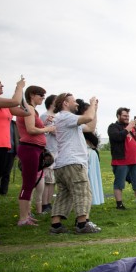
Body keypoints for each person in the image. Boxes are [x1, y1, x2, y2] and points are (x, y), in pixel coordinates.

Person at [49, 92, 101, 234]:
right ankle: (82, 224)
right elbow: (88, 117)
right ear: (65, 103)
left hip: (62, 163)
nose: (77, 104)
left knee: (64, 194)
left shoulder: (66, 119)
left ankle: (56, 226)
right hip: (73, 162)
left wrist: (94, 108)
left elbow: (90, 127)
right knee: (82, 191)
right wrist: (91, 105)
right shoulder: (66, 117)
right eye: (74, 101)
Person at [0, 74, 28, 244]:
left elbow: (24, 111)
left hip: (2, 149)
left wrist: (24, 96)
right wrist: (19, 87)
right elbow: (14, 101)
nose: (2, 85)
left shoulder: (3, 106)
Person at [15, 85, 55, 226]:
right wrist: (48, 128)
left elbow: (31, 128)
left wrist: (44, 124)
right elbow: (31, 130)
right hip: (30, 149)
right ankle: (23, 218)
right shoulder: (30, 109)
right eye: (41, 95)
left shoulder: (32, 110)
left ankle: (26, 215)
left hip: (34, 149)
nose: (43, 98)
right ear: (32, 95)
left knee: (30, 183)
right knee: (28, 184)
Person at [108, 107, 136, 209]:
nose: (126, 118)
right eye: (124, 116)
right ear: (118, 116)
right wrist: (128, 127)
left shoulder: (131, 127)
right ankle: (119, 204)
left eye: (128, 116)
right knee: (119, 183)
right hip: (121, 160)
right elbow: (117, 137)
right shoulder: (113, 127)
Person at [41, 94, 57, 214]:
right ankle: (44, 204)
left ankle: (49, 203)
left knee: (52, 181)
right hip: (48, 151)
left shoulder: (57, 117)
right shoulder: (44, 116)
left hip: (58, 151)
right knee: (46, 180)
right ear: (51, 103)